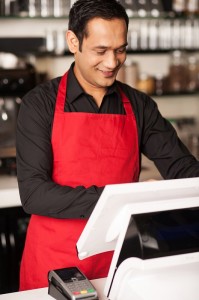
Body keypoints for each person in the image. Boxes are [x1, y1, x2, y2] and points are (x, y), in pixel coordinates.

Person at [16, 0, 199, 291]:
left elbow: (180, 166)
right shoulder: (40, 104)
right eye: (100, 51)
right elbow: (34, 194)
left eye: (120, 49)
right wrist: (126, 199)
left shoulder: (139, 105)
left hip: (124, 262)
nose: (112, 62)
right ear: (73, 41)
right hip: (56, 266)